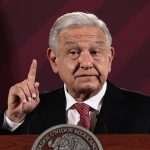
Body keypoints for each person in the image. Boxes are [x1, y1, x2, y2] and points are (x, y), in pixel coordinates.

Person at [0, 12, 150, 135]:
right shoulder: (30, 112)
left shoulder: (145, 110)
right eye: (73, 52)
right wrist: (13, 119)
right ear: (54, 60)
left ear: (109, 58)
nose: (86, 63)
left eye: (95, 52)